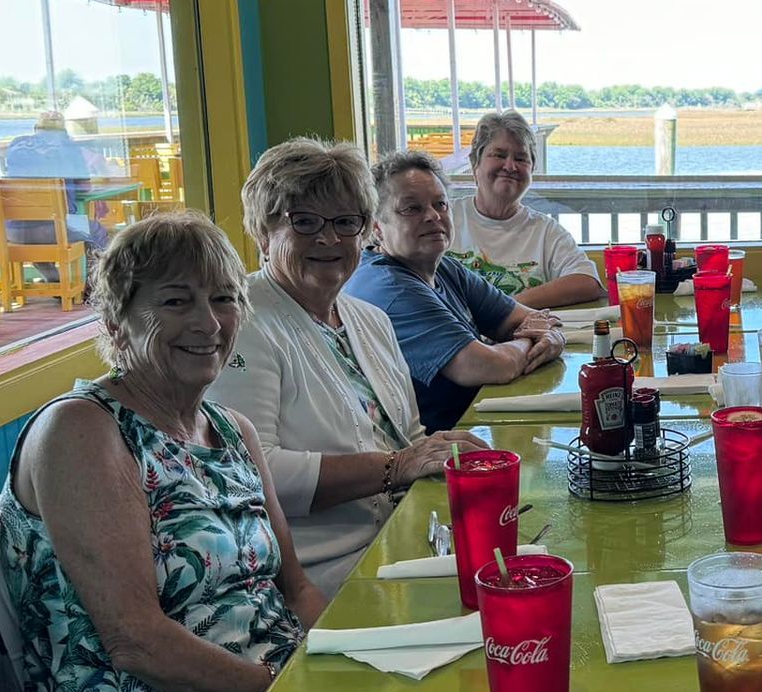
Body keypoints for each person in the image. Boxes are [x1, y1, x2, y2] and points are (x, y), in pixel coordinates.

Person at [0, 211, 326, 692]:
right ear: (118, 323)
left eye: (223, 298)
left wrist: (346, 668)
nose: (207, 321)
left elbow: (293, 586)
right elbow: (135, 640)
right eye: (176, 301)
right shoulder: (82, 431)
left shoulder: (232, 430)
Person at [207, 138, 485, 599]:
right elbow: (256, 473)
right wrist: (395, 467)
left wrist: (437, 461)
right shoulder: (240, 323)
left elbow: (410, 437)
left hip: (406, 543)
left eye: (345, 222)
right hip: (321, 575)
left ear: (366, 231)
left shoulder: (369, 319)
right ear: (262, 231)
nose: (329, 238)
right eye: (305, 222)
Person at [345, 151, 566, 431]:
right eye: (412, 209)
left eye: (441, 204)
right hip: (436, 449)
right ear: (376, 227)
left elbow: (532, 319)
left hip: (475, 424)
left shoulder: (444, 267)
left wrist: (550, 333)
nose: (433, 216)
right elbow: (489, 366)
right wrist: (531, 341)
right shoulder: (391, 288)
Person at [447, 111, 605, 307]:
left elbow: (587, 282)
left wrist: (503, 308)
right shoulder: (444, 219)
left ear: (531, 170)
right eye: (499, 155)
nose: (510, 166)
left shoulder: (545, 231)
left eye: (521, 158)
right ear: (475, 164)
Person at [2, 109, 109, 251]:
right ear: (63, 132)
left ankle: (54, 274)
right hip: (56, 228)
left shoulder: (16, 146)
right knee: (95, 229)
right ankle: (106, 271)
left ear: (35, 129)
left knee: (43, 243)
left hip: (13, 231)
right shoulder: (69, 149)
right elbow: (84, 187)